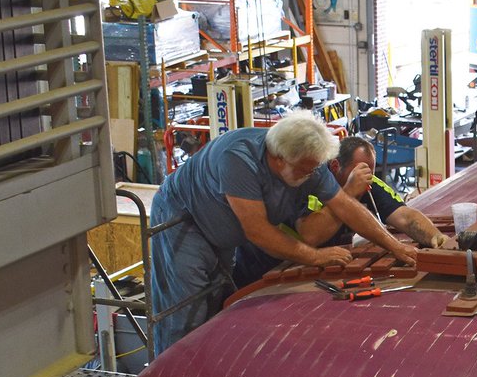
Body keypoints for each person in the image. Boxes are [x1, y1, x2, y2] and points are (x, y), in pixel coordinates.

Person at [148, 112, 418, 354]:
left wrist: (394, 246)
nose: (312, 175)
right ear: (279, 159)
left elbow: (345, 206)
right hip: (184, 220)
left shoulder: (306, 163)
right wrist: (315, 257)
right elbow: (258, 231)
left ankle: (203, 375)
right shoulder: (238, 160)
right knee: (185, 312)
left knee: (215, 304)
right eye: (305, 169)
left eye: (315, 169)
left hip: (221, 230)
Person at [232, 135, 456, 287]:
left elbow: (405, 216)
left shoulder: (368, 182)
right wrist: (348, 193)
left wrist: (435, 237)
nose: (365, 175)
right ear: (335, 166)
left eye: (369, 169)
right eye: (358, 169)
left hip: (312, 267)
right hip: (262, 266)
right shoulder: (308, 180)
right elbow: (310, 235)